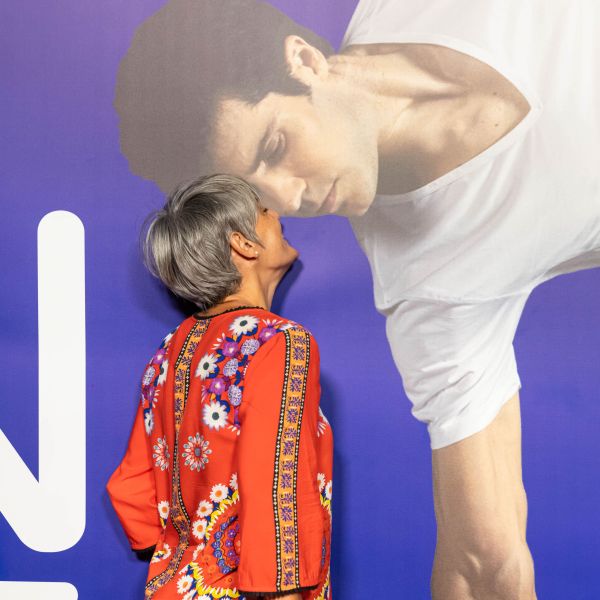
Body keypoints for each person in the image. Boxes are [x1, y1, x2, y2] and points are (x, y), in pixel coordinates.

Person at [114, 1, 600, 598]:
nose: (289, 197)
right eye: (259, 198)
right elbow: (482, 563)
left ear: (303, 60)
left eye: (274, 145)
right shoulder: (428, 285)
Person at [106, 174, 333, 600]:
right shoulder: (280, 342)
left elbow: (132, 486)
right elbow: (276, 485)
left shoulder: (169, 350)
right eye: (263, 210)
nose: (276, 214)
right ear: (243, 244)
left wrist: (183, 557)